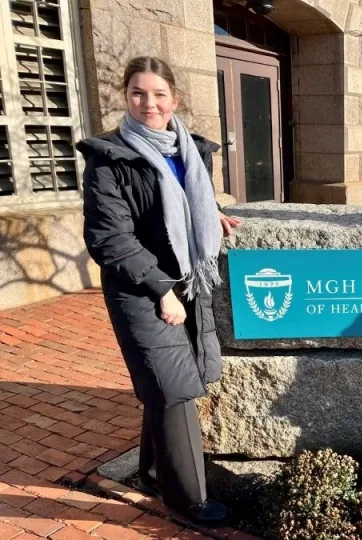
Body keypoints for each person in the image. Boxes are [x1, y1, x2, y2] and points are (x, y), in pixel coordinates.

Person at [78, 56, 241, 526]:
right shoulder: (110, 157)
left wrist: (212, 214)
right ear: (126, 97)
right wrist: (161, 290)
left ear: (175, 99)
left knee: (168, 382)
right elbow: (109, 237)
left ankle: (152, 472)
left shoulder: (190, 148)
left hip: (190, 280)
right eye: (137, 94)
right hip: (142, 289)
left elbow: (187, 195)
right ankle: (187, 499)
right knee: (174, 390)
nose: (148, 103)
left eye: (158, 94)